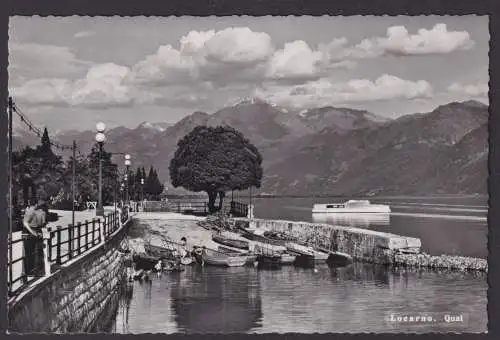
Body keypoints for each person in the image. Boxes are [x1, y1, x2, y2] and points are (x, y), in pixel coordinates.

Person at [22, 196, 48, 277]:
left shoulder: (30, 211)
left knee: (31, 252)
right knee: (35, 251)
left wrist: (32, 232)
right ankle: (35, 271)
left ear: (30, 203)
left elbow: (25, 223)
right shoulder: (39, 212)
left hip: (31, 232)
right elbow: (43, 223)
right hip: (35, 232)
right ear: (36, 204)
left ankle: (31, 271)